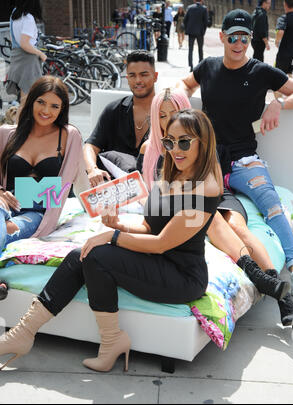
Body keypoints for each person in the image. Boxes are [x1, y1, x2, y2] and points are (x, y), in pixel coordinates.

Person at [0, 109, 223, 372]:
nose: (175, 149)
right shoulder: (171, 174)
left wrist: (113, 235)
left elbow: (161, 242)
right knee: (80, 253)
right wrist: (116, 223)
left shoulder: (204, 187)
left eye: (184, 141)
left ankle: (111, 340)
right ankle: (22, 333)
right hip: (156, 261)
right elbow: (147, 226)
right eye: (169, 141)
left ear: (203, 142)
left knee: (97, 254)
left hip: (181, 276)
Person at [140, 88, 293, 326]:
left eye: (176, 111)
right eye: (162, 115)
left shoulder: (201, 144)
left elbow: (212, 185)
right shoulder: (150, 149)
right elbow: (155, 197)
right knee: (204, 216)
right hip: (181, 206)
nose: (168, 119)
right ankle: (260, 278)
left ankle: (277, 291)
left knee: (235, 225)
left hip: (215, 197)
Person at [176, 8, 293, 299]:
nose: (239, 43)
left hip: (244, 159)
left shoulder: (261, 71)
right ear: (222, 37)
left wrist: (277, 102)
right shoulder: (208, 66)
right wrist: (183, 107)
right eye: (233, 36)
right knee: (181, 203)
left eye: (245, 37)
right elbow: (183, 83)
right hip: (207, 159)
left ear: (251, 39)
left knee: (271, 205)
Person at [0, 75, 89, 300]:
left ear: (62, 109)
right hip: (3, 204)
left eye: (54, 106)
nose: (46, 110)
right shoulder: (6, 134)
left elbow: (78, 178)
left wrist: (98, 208)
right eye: (41, 102)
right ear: (31, 101)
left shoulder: (69, 136)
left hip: (35, 213)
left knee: (9, 229)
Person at [83, 50, 157, 187]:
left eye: (144, 75)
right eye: (132, 75)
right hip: (113, 187)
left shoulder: (166, 111)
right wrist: (92, 170)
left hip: (153, 185)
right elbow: (90, 146)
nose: (138, 80)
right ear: (127, 79)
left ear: (155, 76)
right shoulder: (114, 109)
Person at [6, 0, 47, 103]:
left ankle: (21, 119)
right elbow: (24, 44)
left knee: (24, 100)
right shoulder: (28, 18)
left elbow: (14, 40)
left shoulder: (14, 14)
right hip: (28, 60)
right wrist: (41, 54)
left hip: (16, 57)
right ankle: (24, 119)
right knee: (28, 100)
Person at [275, 0, 293, 75]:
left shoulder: (283, 18)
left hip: (284, 56)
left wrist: (277, 41)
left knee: (281, 78)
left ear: (284, 4)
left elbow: (280, 31)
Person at [184, 0, 208, 71]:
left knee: (190, 49)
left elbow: (185, 20)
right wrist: (203, 31)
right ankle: (200, 65)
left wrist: (187, 29)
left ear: (194, 0)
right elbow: (206, 21)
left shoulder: (190, 8)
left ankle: (190, 66)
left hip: (191, 31)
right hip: (200, 32)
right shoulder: (204, 9)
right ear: (202, 1)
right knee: (200, 49)